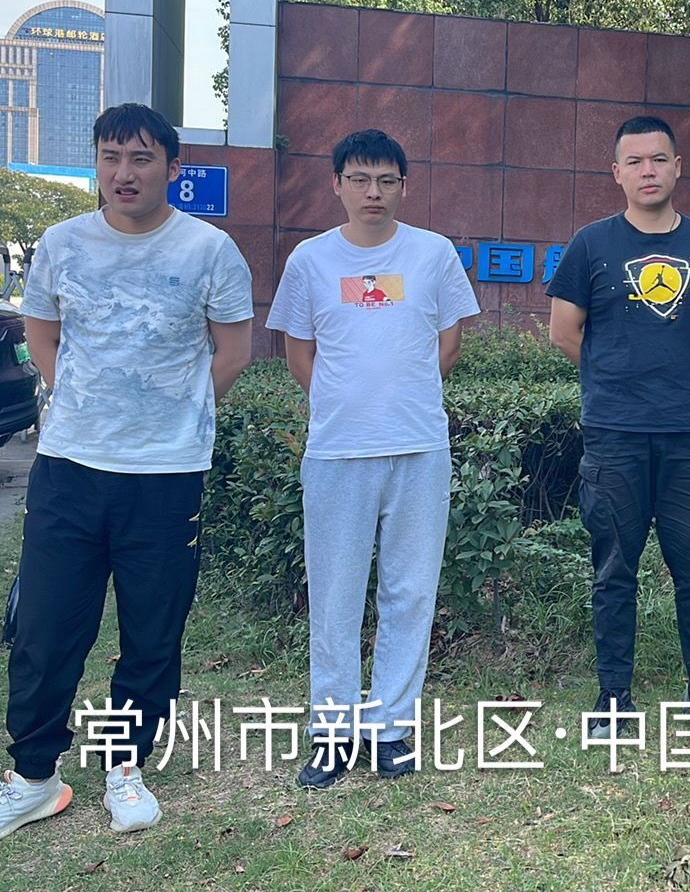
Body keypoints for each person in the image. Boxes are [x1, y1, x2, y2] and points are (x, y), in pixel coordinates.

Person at [1, 103, 253, 837]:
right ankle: (35, 776)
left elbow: (233, 351)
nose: (124, 172)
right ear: (97, 165)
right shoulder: (60, 244)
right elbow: (42, 336)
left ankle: (124, 766)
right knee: (47, 627)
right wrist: (86, 405)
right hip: (70, 468)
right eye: (111, 157)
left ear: (171, 167)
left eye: (141, 158)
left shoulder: (209, 250)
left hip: (167, 475)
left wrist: (168, 415)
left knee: (151, 631)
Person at [266, 128, 479, 788]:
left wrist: (400, 400)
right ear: (337, 184)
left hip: (419, 449)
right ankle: (332, 733)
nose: (373, 192)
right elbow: (299, 352)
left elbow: (448, 344)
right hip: (338, 452)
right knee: (335, 595)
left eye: (386, 180)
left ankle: (390, 727)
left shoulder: (432, 254)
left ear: (403, 186)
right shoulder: (310, 260)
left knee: (409, 592)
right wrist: (346, 405)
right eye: (359, 179)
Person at [547, 115, 690, 737]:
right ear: (617, 173)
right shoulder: (591, 245)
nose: (648, 171)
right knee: (614, 568)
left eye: (659, 159)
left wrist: (680, 375)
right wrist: (619, 378)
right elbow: (564, 332)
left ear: (678, 167)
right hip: (615, 434)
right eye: (634, 162)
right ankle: (614, 697)